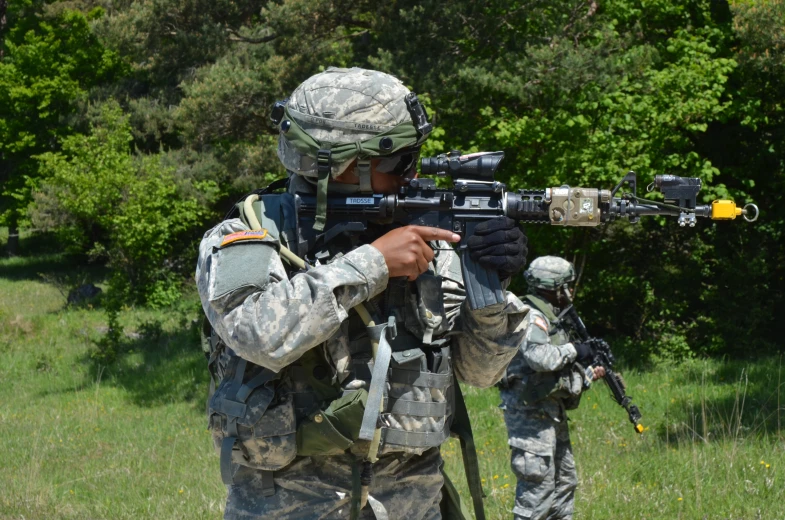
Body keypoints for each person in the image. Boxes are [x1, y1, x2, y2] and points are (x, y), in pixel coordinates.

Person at [196, 66, 532, 519]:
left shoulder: (424, 242)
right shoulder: (249, 237)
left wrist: (490, 285)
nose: (413, 175)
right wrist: (373, 263)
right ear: (345, 166)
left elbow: (481, 372)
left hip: (410, 504)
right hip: (289, 507)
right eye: (401, 162)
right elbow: (257, 334)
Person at [498, 256, 605, 520]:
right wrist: (575, 350)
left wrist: (587, 376)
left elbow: (554, 378)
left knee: (565, 482)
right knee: (538, 491)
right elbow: (539, 358)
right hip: (530, 418)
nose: (569, 293)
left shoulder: (552, 317)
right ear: (553, 287)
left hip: (550, 413)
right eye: (565, 286)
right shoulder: (532, 316)